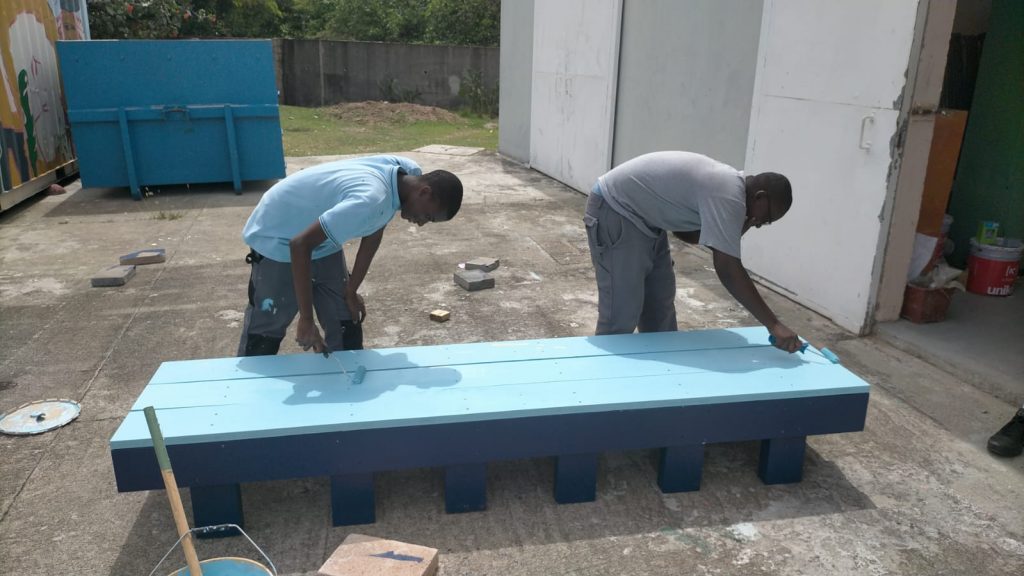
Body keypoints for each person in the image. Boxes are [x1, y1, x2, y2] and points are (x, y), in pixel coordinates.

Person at [238, 155, 462, 356]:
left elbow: (375, 230)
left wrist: (351, 290)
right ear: (424, 192)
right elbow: (300, 245)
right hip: (279, 235)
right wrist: (306, 319)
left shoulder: (408, 174)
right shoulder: (370, 199)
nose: (421, 223)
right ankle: (250, 381)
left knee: (345, 320)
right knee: (266, 330)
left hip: (319, 236)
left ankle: (346, 383)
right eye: (428, 216)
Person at [584, 150, 802, 352]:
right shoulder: (729, 195)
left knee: (659, 309)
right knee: (621, 315)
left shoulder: (728, 191)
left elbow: (684, 233)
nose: (759, 223)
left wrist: (727, 236)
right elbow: (728, 270)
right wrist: (774, 324)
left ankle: (664, 373)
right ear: (760, 197)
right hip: (616, 209)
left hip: (647, 221)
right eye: (766, 218)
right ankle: (603, 378)